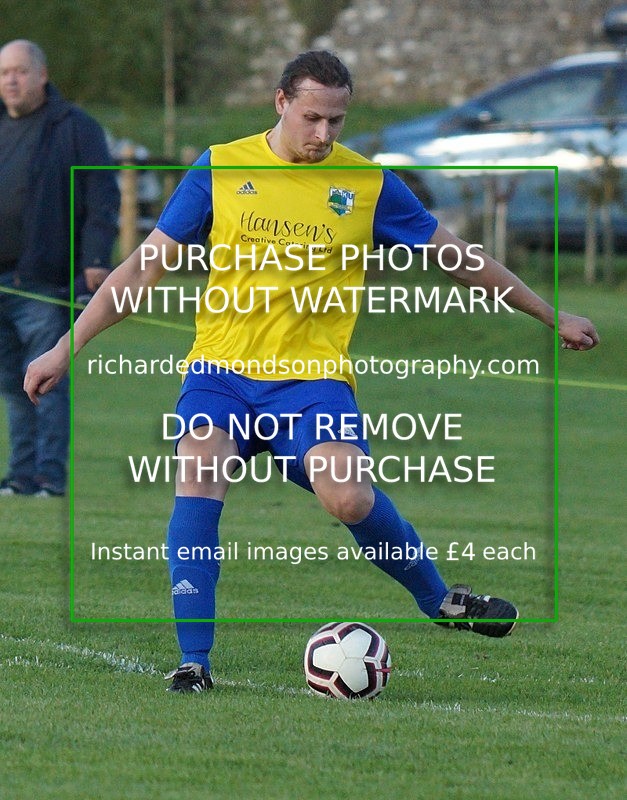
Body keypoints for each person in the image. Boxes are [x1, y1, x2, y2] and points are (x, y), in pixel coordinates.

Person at [24, 51, 599, 691]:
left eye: (336, 121)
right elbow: (140, 270)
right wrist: (62, 348)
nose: (324, 134)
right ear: (280, 103)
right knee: (199, 474)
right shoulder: (221, 168)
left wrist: (550, 314)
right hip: (221, 372)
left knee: (348, 496)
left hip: (311, 381)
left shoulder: (367, 185)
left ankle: (440, 601)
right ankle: (195, 660)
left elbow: (459, 259)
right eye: (311, 118)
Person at [0, 39, 119, 497]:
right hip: (1, 281)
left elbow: (102, 198)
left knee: (45, 381)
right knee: (11, 384)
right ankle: (21, 475)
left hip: (45, 279)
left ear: (42, 75)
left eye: (20, 71)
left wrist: (94, 261)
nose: (11, 79)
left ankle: (50, 475)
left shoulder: (75, 127)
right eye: (5, 72)